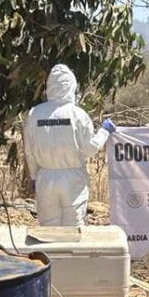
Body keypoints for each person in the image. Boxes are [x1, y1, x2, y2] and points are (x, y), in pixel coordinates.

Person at [21, 64, 117, 226]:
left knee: (48, 229)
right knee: (73, 229)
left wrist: (34, 175)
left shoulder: (34, 114)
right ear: (72, 86)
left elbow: (29, 151)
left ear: (49, 86)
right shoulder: (78, 115)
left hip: (45, 178)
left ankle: (50, 253)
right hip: (73, 179)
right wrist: (104, 131)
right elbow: (89, 148)